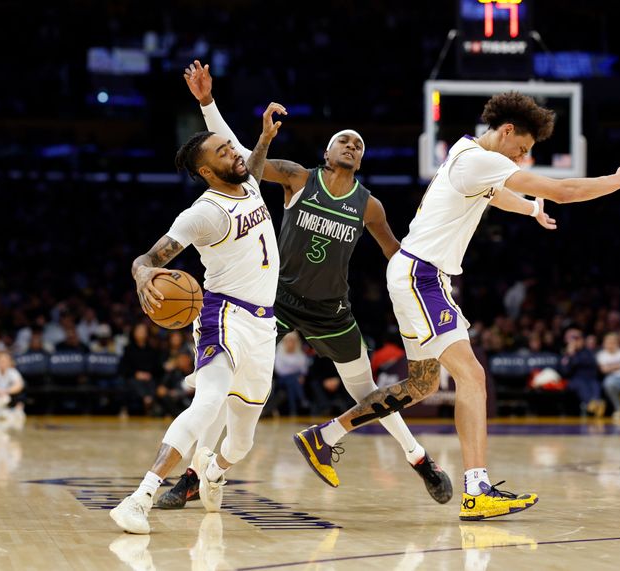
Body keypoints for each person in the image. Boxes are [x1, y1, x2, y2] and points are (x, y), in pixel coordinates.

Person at [293, 91, 620, 521]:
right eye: (521, 149)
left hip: (417, 273)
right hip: (422, 276)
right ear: (506, 132)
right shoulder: (477, 160)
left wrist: (527, 210)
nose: (522, 159)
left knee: (423, 386)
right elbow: (563, 190)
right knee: (472, 374)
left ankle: (326, 435)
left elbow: (493, 194)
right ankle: (477, 488)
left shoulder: (467, 154)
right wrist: (615, 181)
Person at [156, 59, 453, 509]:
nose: (351, 144)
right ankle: (194, 476)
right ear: (327, 152)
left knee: (367, 390)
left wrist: (428, 276)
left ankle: (419, 459)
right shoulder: (298, 177)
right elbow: (241, 159)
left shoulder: (369, 205)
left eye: (358, 144)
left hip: (331, 309)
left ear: (361, 158)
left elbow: (397, 253)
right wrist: (208, 104)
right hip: (275, 300)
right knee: (224, 380)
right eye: (343, 140)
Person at [110, 103, 282, 534]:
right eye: (223, 152)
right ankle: (139, 498)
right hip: (222, 314)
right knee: (207, 403)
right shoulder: (203, 213)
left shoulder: (249, 185)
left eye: (231, 146)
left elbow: (254, 168)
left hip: (264, 326)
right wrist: (142, 272)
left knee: (241, 443)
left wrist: (261, 139)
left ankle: (214, 472)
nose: (233, 153)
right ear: (206, 171)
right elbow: (149, 256)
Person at [560, 328, 604, 417]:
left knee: (595, 384)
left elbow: (592, 365)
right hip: (574, 380)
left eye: (578, 339)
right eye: (574, 339)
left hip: (590, 379)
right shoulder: (566, 353)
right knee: (580, 384)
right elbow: (565, 371)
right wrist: (571, 355)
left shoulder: (588, 352)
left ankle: (596, 403)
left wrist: (575, 359)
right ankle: (591, 405)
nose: (576, 342)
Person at [597, 332, 620, 420]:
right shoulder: (601, 355)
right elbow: (604, 369)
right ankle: (619, 409)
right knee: (608, 383)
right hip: (612, 379)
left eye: (612, 342)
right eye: (608, 342)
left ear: (617, 343)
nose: (610, 344)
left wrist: (611, 366)